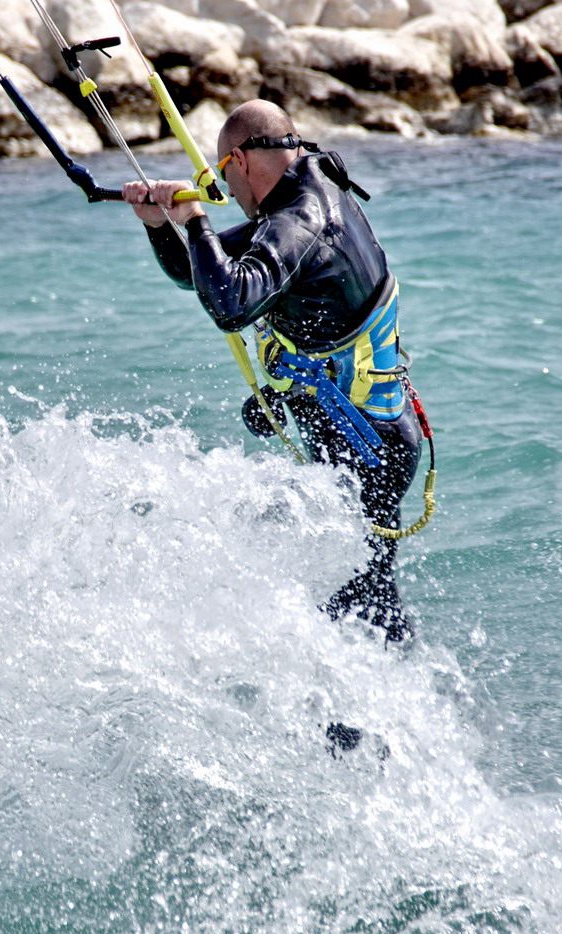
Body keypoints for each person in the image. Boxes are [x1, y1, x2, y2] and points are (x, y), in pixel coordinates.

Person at [122, 99, 421, 646]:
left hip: (367, 456)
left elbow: (230, 303)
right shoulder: (300, 197)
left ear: (238, 160)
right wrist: (160, 227)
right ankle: (408, 706)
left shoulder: (302, 222)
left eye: (220, 175)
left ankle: (363, 723)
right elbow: (200, 272)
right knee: (369, 606)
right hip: (371, 445)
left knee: (347, 618)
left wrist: (196, 218)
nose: (223, 189)